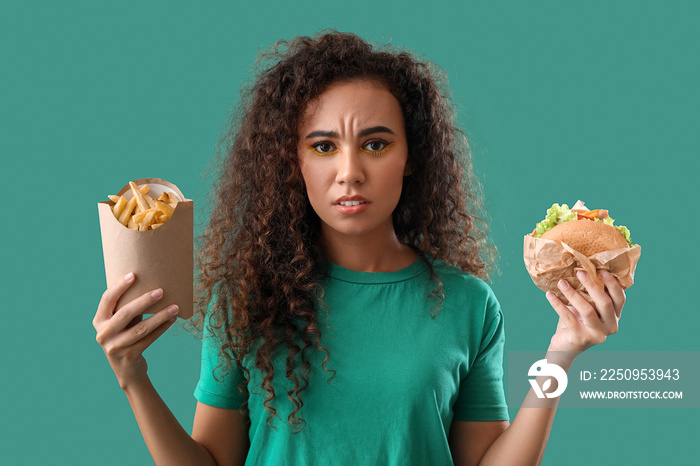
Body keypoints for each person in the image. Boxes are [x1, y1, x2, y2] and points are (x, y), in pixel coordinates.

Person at [93, 30, 626, 465]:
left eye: (375, 143)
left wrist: (562, 355)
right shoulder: (244, 301)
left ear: (411, 157)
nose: (350, 173)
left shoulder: (469, 303)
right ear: (294, 162)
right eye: (323, 146)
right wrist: (133, 378)